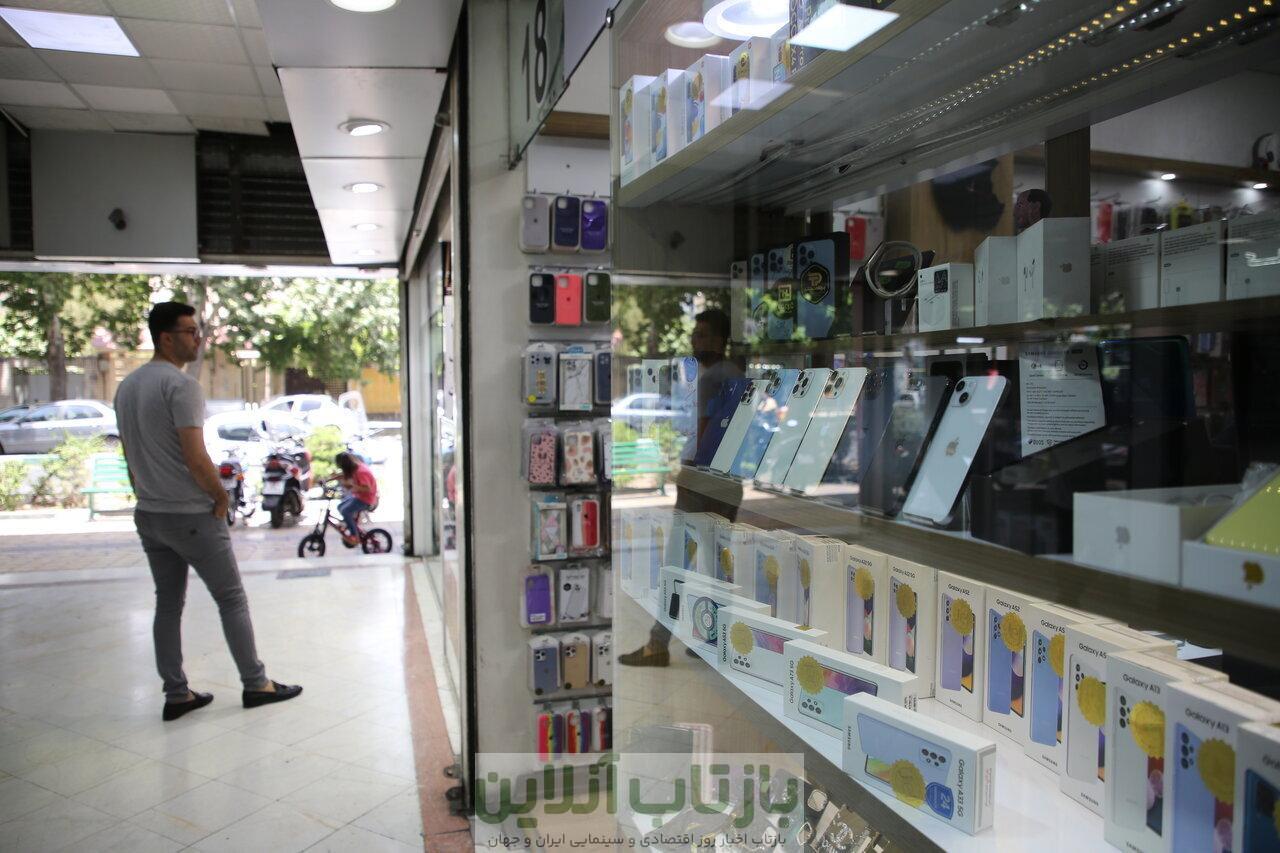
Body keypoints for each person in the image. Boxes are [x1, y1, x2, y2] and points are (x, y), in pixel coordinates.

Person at [115, 302, 301, 721]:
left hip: (150, 514)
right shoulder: (181, 386)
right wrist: (220, 497)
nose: (198, 339)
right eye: (190, 332)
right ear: (165, 338)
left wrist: (145, 494)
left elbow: (130, 455)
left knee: (167, 603)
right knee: (231, 598)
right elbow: (195, 456)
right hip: (190, 515)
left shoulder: (127, 387)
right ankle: (256, 684)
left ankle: (176, 694)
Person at [621, 308, 742, 668]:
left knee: (676, 565)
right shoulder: (736, 376)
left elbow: (705, 438)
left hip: (701, 481)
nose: (695, 341)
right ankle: (716, 639)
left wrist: (686, 474)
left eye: (702, 334)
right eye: (694, 334)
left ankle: (657, 644)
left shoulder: (711, 379)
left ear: (720, 340)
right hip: (729, 482)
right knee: (717, 567)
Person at [334, 451, 378, 545]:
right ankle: (350, 524)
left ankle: (355, 536)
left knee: (346, 511)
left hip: (366, 500)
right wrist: (331, 478)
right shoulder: (356, 468)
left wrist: (352, 486)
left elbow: (368, 488)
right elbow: (344, 475)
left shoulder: (361, 472)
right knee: (340, 507)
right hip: (359, 497)